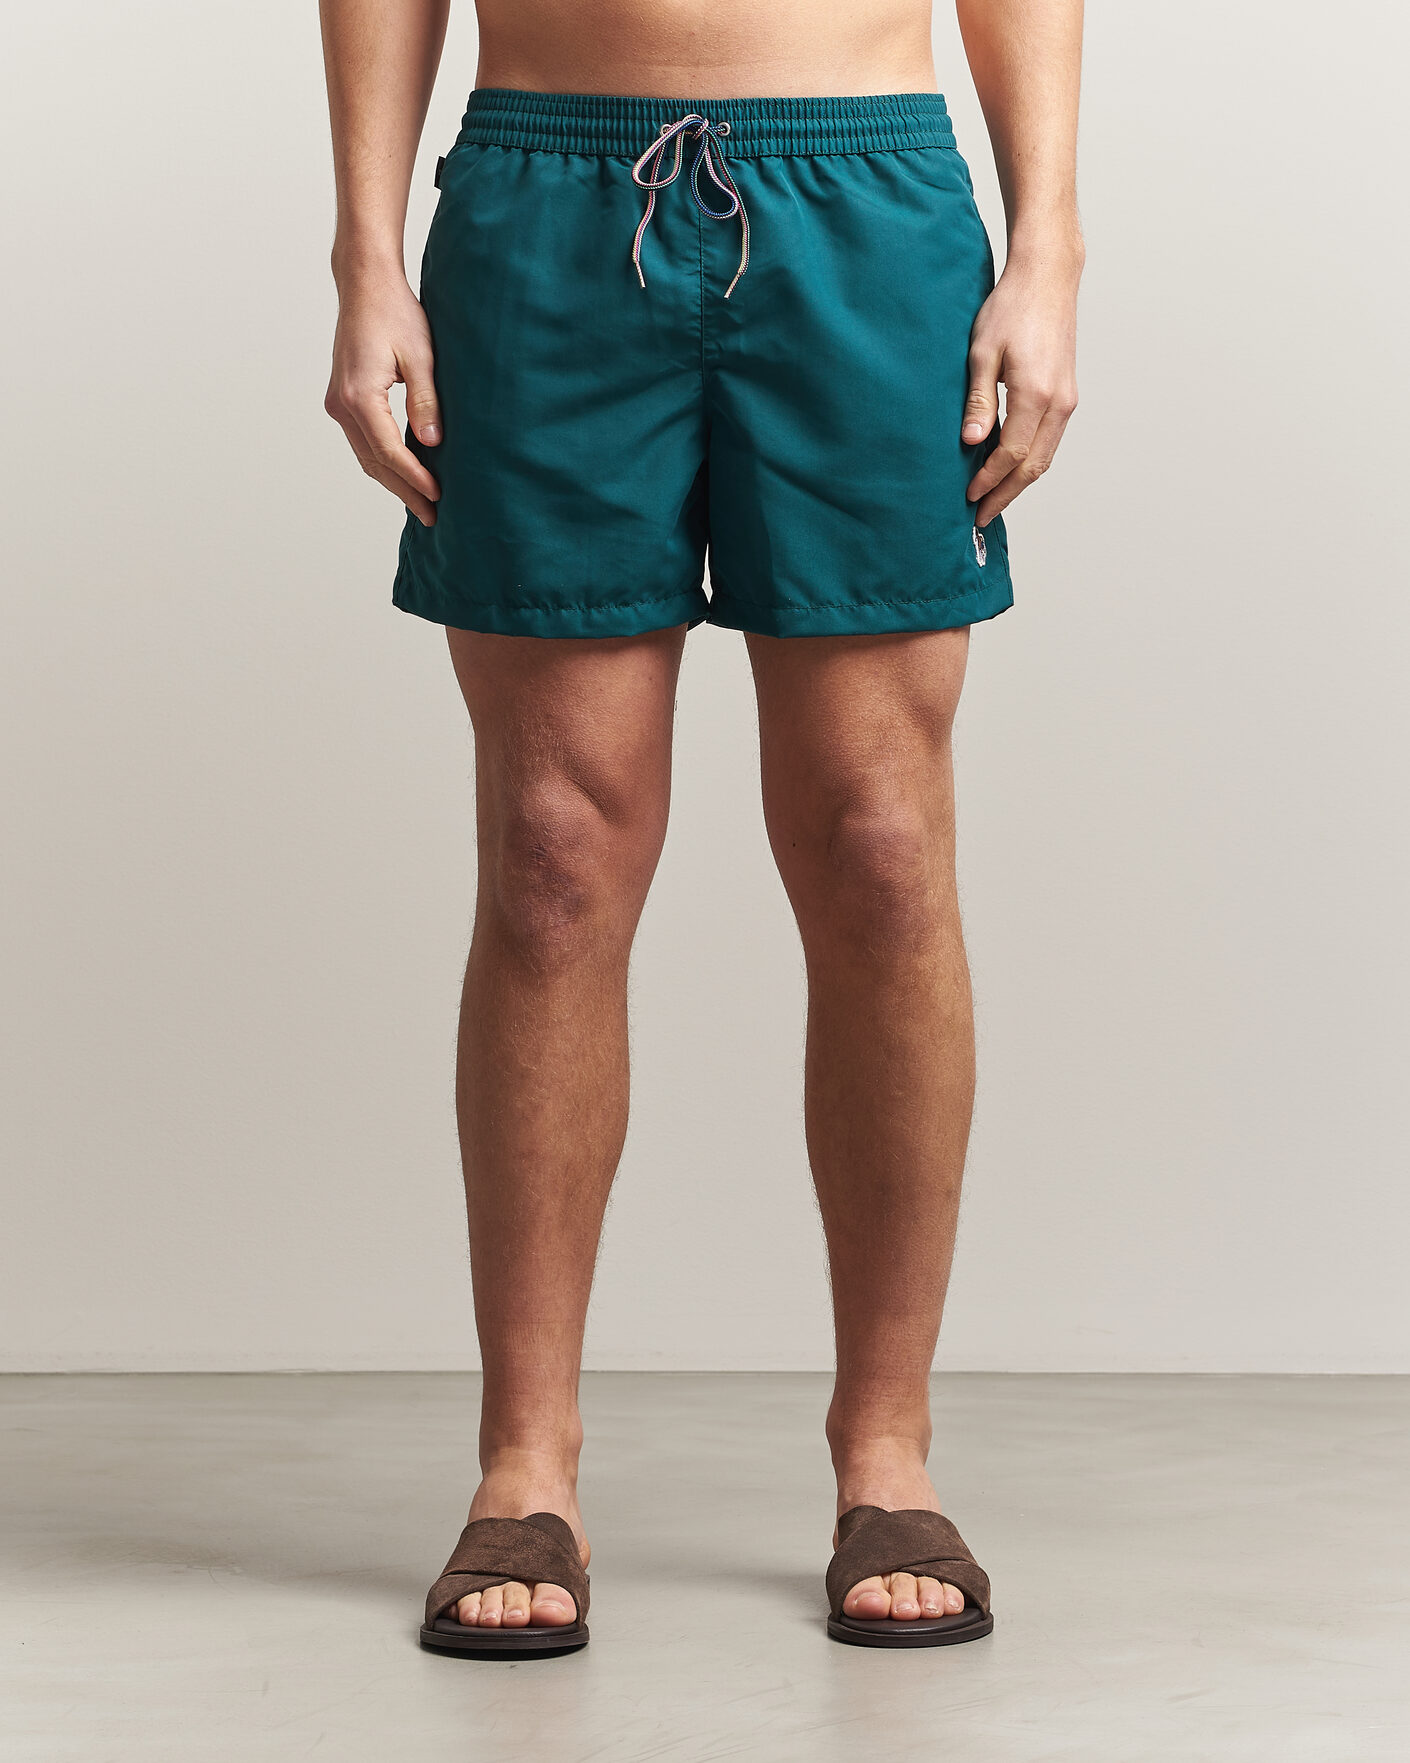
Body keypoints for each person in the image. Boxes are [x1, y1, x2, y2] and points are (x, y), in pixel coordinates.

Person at [319, 0, 1082, 1656]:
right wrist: (364, 253)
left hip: (864, 192)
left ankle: (887, 1454)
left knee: (881, 847)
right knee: (550, 854)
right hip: (546, 189)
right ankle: (525, 1465)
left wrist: (1048, 248)